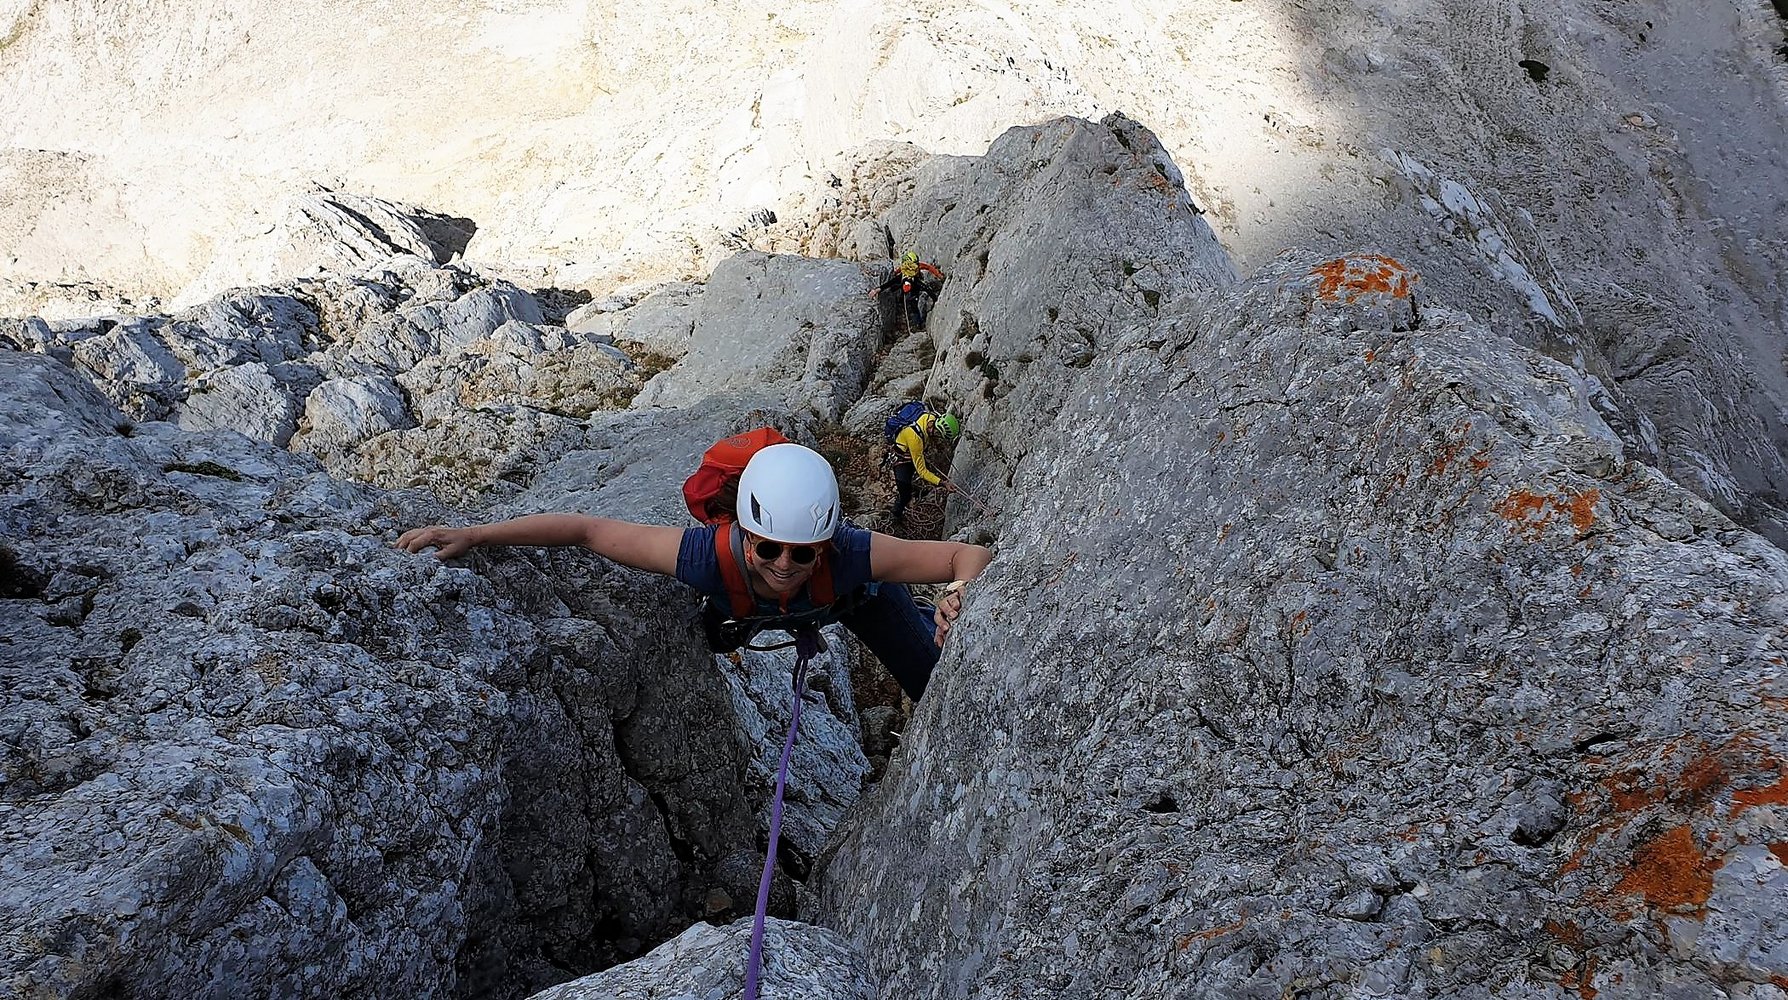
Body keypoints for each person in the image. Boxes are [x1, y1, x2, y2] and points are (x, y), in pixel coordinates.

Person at [396, 442, 989, 702]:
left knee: (932, 682)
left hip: (860, 601)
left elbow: (965, 555)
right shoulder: (706, 557)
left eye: (803, 553)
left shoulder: (852, 553)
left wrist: (959, 590)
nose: (785, 564)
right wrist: (476, 535)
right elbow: (587, 530)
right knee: (709, 633)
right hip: (747, 610)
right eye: (768, 549)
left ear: (825, 544)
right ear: (745, 534)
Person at [887, 408, 962, 524]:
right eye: (937, 434)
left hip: (910, 451)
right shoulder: (915, 439)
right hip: (902, 460)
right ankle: (894, 516)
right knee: (905, 495)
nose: (937, 437)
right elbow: (922, 472)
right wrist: (943, 483)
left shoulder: (930, 417)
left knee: (911, 480)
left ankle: (912, 489)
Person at [869, 250, 945, 329]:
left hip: (914, 284)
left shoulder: (907, 270)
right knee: (915, 300)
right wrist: (938, 275)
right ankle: (918, 322)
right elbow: (927, 267)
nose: (915, 266)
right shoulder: (909, 269)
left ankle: (918, 322)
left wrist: (938, 274)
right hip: (913, 284)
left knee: (914, 301)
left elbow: (892, 281)